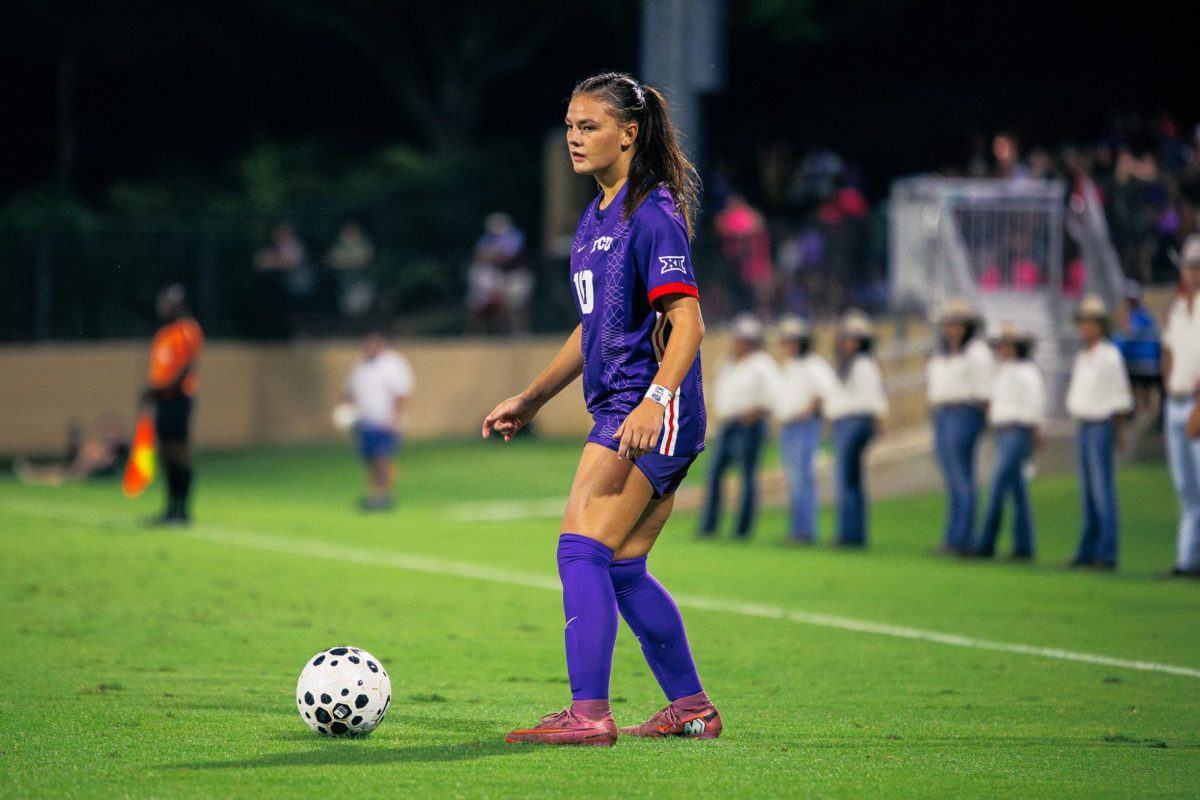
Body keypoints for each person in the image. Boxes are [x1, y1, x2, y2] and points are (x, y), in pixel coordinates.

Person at [482, 72, 719, 746]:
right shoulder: (595, 218)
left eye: (590, 127)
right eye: (569, 127)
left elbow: (689, 322)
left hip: (644, 411)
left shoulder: (651, 212)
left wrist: (656, 399)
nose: (575, 139)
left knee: (579, 550)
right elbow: (595, 328)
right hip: (626, 407)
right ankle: (692, 708)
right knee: (620, 564)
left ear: (629, 133)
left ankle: (589, 715)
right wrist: (531, 399)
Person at [1065, 295, 1134, 570]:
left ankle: (1106, 552)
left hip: (1101, 424)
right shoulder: (1083, 356)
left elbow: (1119, 398)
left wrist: (1118, 432)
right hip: (1084, 424)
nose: (1085, 328)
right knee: (1087, 492)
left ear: (1101, 325)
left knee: (1102, 490)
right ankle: (1088, 549)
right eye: (1083, 322)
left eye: (1090, 322)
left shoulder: (1110, 356)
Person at [699, 314, 780, 540]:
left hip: (749, 425)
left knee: (747, 476)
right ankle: (709, 526)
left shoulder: (762, 363)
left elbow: (774, 394)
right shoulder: (729, 364)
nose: (738, 343)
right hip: (728, 424)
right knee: (714, 474)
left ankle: (742, 530)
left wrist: (756, 412)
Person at [926, 298, 994, 556]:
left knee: (962, 477)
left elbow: (984, 391)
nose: (950, 329)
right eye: (948, 324)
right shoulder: (942, 354)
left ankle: (964, 539)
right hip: (943, 412)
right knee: (952, 477)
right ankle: (953, 536)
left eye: (956, 324)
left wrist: (983, 421)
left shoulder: (977, 353)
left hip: (965, 410)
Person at [976, 324, 1046, 561]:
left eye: (1007, 345)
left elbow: (1035, 402)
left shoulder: (1027, 371)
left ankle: (986, 543)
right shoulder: (1001, 371)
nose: (1002, 349)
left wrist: (1035, 429)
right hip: (1002, 431)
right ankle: (1024, 546)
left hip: (1018, 430)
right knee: (1018, 491)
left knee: (997, 485)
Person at [824, 309, 888, 547]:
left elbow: (874, 396)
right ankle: (855, 534)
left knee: (845, 479)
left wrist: (877, 420)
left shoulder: (862, 364)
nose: (847, 343)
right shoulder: (852, 365)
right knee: (853, 480)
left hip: (854, 421)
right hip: (847, 421)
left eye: (853, 338)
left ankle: (847, 534)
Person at [142, 284, 204, 525]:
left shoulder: (187, 331)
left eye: (167, 302)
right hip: (163, 400)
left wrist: (160, 389)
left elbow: (187, 367)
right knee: (166, 454)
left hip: (178, 399)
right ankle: (170, 509)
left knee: (180, 453)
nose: (163, 307)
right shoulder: (164, 334)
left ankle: (183, 510)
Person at [774, 315, 836, 543]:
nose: (787, 345)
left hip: (804, 426)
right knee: (793, 478)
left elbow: (824, 391)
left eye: (791, 340)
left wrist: (807, 411)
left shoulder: (813, 364)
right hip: (789, 426)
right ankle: (797, 530)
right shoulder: (790, 366)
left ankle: (806, 531)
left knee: (803, 478)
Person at [1162, 235, 1200, 577]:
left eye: (1196, 267)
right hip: (1176, 399)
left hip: (1196, 402)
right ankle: (1187, 559)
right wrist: (1169, 381)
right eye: (1188, 266)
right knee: (1186, 487)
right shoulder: (1177, 309)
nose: (1191, 273)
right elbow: (1169, 349)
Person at [343, 333, 414, 511]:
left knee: (383, 458)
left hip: (384, 421)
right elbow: (349, 391)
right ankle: (374, 494)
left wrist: (394, 417)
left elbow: (400, 393)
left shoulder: (392, 364)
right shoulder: (361, 366)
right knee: (370, 460)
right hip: (365, 421)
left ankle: (387, 494)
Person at [15, 417, 129, 487]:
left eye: (113, 431)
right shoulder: (107, 445)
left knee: (67, 472)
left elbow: (113, 462)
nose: (109, 433)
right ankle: (36, 474)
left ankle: (38, 477)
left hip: (102, 472)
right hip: (89, 468)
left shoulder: (121, 446)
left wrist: (97, 458)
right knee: (63, 469)